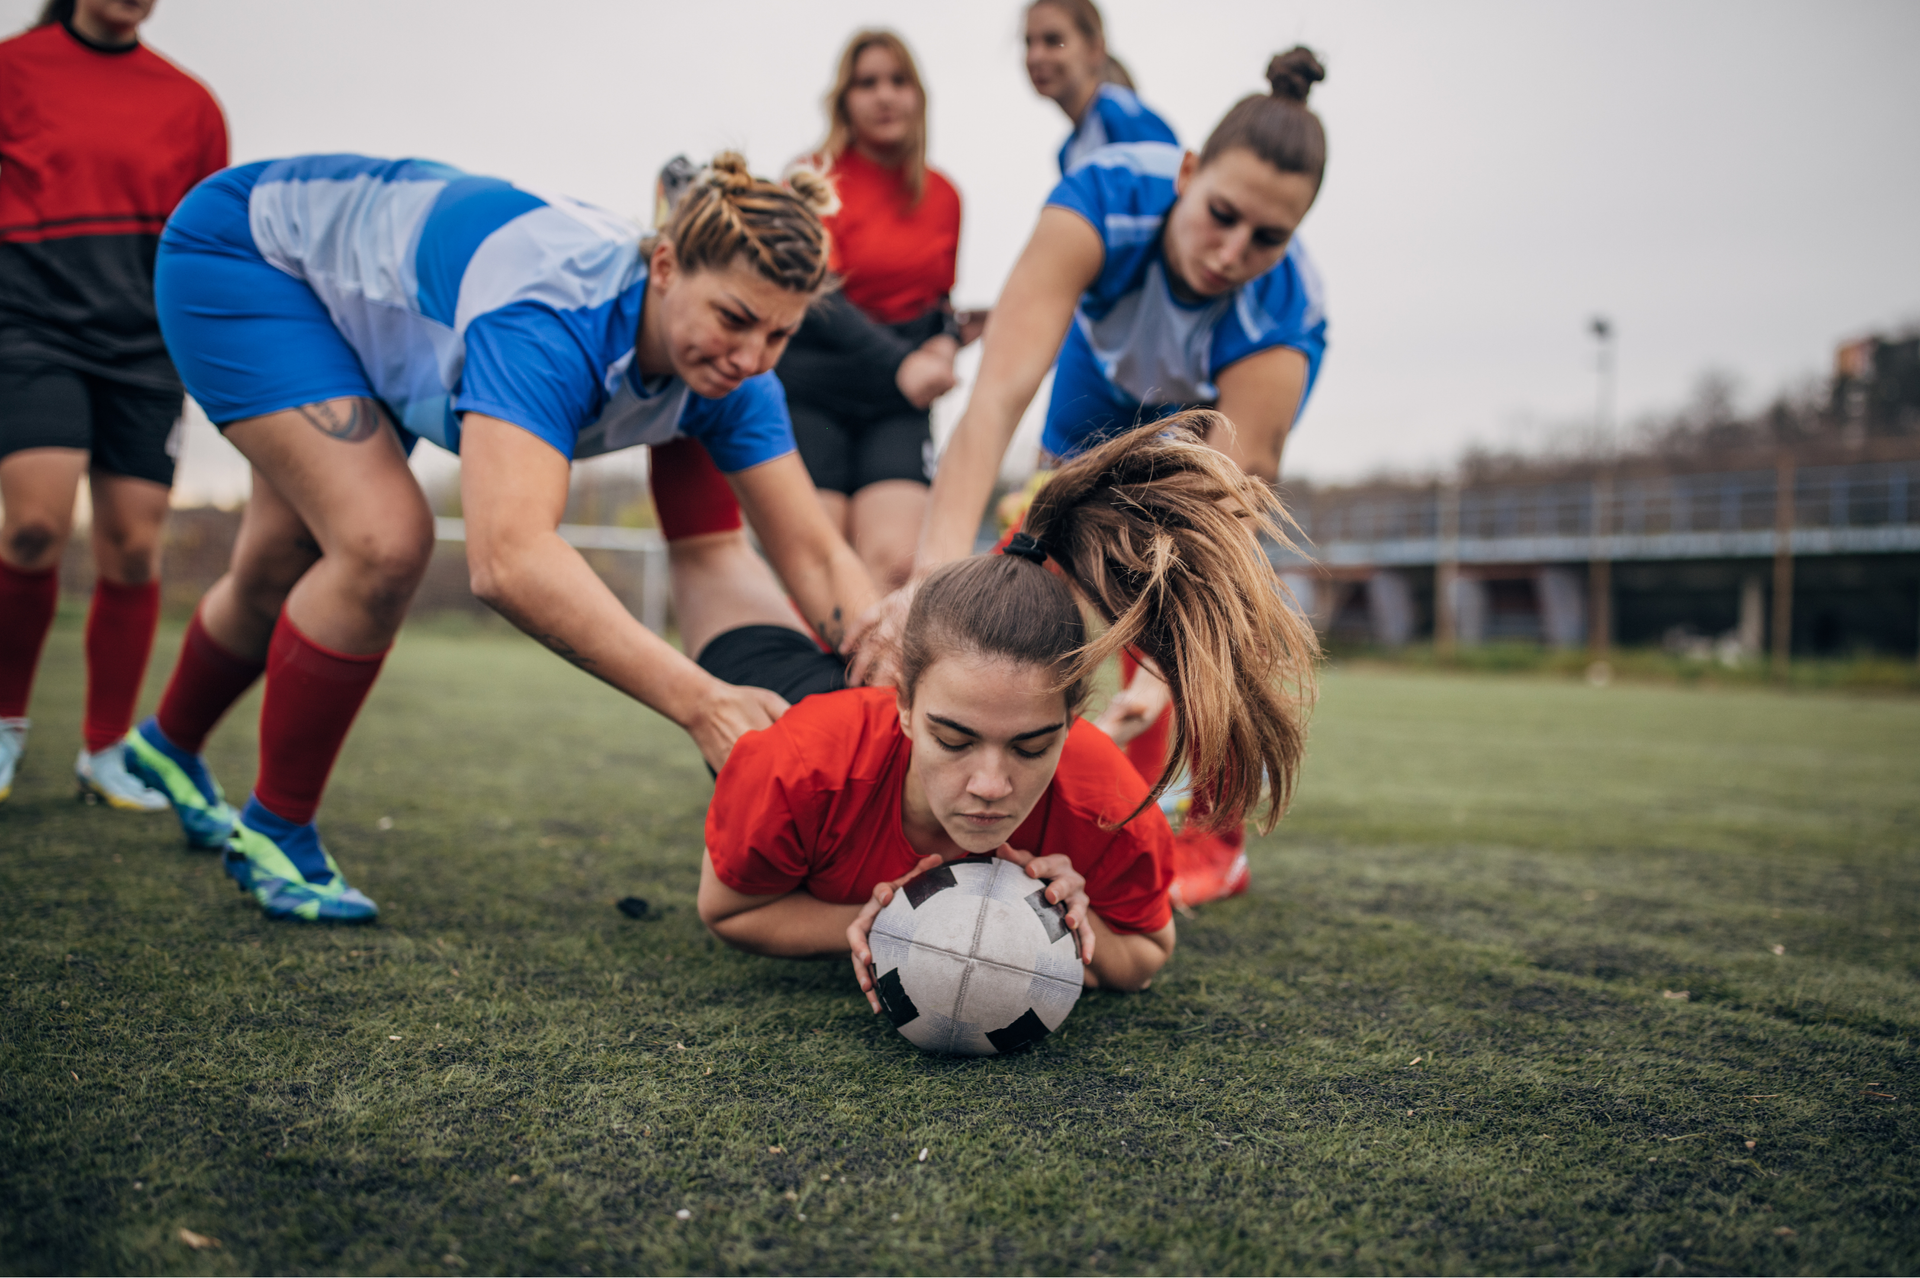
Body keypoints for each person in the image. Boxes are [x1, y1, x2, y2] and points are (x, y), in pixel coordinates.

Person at [123, 152, 876, 922]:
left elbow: (813, 552)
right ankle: (275, 830)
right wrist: (701, 701)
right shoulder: (551, 319)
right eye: (735, 319)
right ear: (664, 265)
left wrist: (895, 678)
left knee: (279, 562)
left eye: (780, 334)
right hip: (248, 252)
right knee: (381, 543)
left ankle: (165, 747)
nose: (752, 358)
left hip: (354, 304)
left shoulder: (737, 378)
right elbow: (510, 559)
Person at [852, 49, 1333, 906]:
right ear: (1187, 174)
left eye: (1268, 237)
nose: (1230, 253)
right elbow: (995, 397)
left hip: (1191, 444)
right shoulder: (1104, 202)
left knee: (1202, 629)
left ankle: (1211, 837)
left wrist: (1174, 664)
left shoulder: (1282, 310)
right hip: (1093, 397)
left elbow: (1225, 506)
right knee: (1026, 571)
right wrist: (924, 587)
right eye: (1219, 215)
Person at [693, 415, 1319, 1003]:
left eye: (1030, 746)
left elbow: (1148, 953)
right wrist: (892, 924)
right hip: (801, 696)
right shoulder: (799, 766)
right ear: (906, 707)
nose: (991, 786)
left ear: (1073, 725)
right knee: (716, 573)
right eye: (955, 739)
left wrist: (1066, 926)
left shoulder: (1106, 807)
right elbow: (728, 908)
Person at [0, 0, 226, 808]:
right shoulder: (12, 70)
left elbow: (205, 241)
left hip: (144, 348)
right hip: (28, 329)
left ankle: (106, 753)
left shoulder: (190, 102)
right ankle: (4, 726)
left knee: (134, 548)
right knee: (34, 528)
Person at [776, 30, 969, 591]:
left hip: (895, 403)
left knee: (894, 565)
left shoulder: (944, 196)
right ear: (845, 100)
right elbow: (815, 291)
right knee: (817, 569)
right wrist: (901, 364)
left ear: (918, 96)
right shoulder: (809, 178)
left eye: (898, 81)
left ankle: (878, 684)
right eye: (867, 83)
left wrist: (946, 341)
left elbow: (936, 303)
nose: (884, 96)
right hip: (814, 389)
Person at [1024, 0, 1176, 175]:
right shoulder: (1067, 152)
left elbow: (1179, 187)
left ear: (1095, 48)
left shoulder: (1124, 118)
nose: (1034, 57)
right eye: (1028, 43)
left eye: (1054, 41)